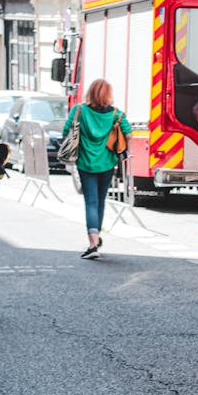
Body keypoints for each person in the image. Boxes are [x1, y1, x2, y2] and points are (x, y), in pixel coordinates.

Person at [63, 78, 132, 259]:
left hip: (85, 164)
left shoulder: (79, 111)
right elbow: (129, 133)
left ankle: (93, 244)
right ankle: (96, 237)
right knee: (100, 202)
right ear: (108, 94)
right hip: (107, 164)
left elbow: (65, 132)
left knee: (91, 202)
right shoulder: (116, 114)